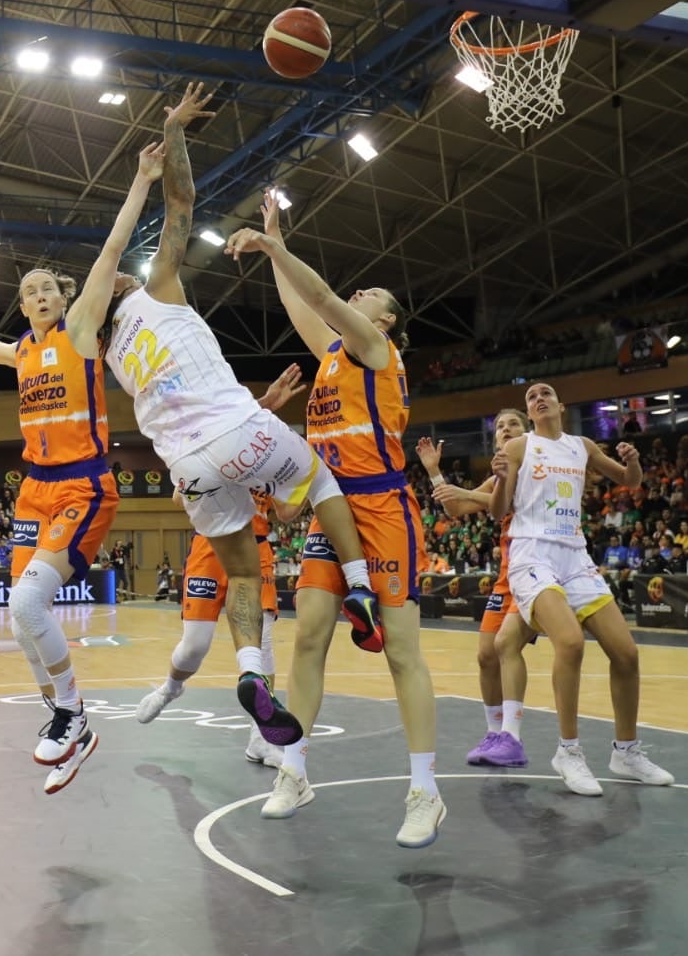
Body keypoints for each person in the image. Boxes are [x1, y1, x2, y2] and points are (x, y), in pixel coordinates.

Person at [104, 85, 379, 774]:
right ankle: (359, 585)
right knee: (320, 479)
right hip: (234, 433)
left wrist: (265, 404)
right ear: (127, 283)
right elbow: (181, 206)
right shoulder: (158, 286)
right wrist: (174, 132)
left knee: (246, 578)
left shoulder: (108, 350)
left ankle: (252, 672)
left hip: (188, 464)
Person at [0, 139, 164, 795]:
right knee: (17, 614)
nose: (37, 295)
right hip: (33, 490)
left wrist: (141, 178)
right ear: (22, 307)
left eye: (46, 288)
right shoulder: (23, 352)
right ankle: (66, 726)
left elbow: (112, 250)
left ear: (63, 297)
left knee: (31, 602)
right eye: (26, 291)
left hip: (83, 484)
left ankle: (73, 714)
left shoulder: (81, 330)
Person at [226, 188, 443, 848]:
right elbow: (302, 306)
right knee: (308, 638)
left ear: (387, 321)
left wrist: (277, 246)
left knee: (401, 653)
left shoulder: (377, 351)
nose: (359, 297)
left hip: (381, 508)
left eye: (370, 295)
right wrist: (270, 243)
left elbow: (321, 300)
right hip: (330, 507)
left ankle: (424, 792)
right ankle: (293, 769)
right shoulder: (331, 356)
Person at [488, 382, 674, 795]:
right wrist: (501, 480)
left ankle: (625, 752)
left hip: (575, 556)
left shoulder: (582, 446)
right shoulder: (519, 447)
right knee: (570, 642)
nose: (539, 398)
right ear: (530, 412)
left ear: (560, 405)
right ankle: (568, 752)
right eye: (531, 397)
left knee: (626, 653)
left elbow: (630, 481)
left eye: (546, 393)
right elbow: (498, 511)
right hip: (532, 555)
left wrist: (633, 461)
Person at [134, 365, 308, 769]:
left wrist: (310, 479)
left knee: (261, 644)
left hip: (258, 548)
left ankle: (260, 739)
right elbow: (181, 500)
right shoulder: (205, 445)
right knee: (194, 646)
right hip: (211, 547)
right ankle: (171, 688)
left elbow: (285, 512)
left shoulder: (274, 453)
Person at [417, 410, 534, 768]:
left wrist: (466, 490)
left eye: (513, 423)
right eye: (500, 426)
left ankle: (515, 738)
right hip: (506, 573)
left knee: (506, 646)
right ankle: (495, 733)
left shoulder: (536, 466)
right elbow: (456, 508)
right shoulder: (495, 477)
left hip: (536, 567)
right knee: (486, 654)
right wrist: (435, 471)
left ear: (526, 433)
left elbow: (507, 504)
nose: (506, 429)